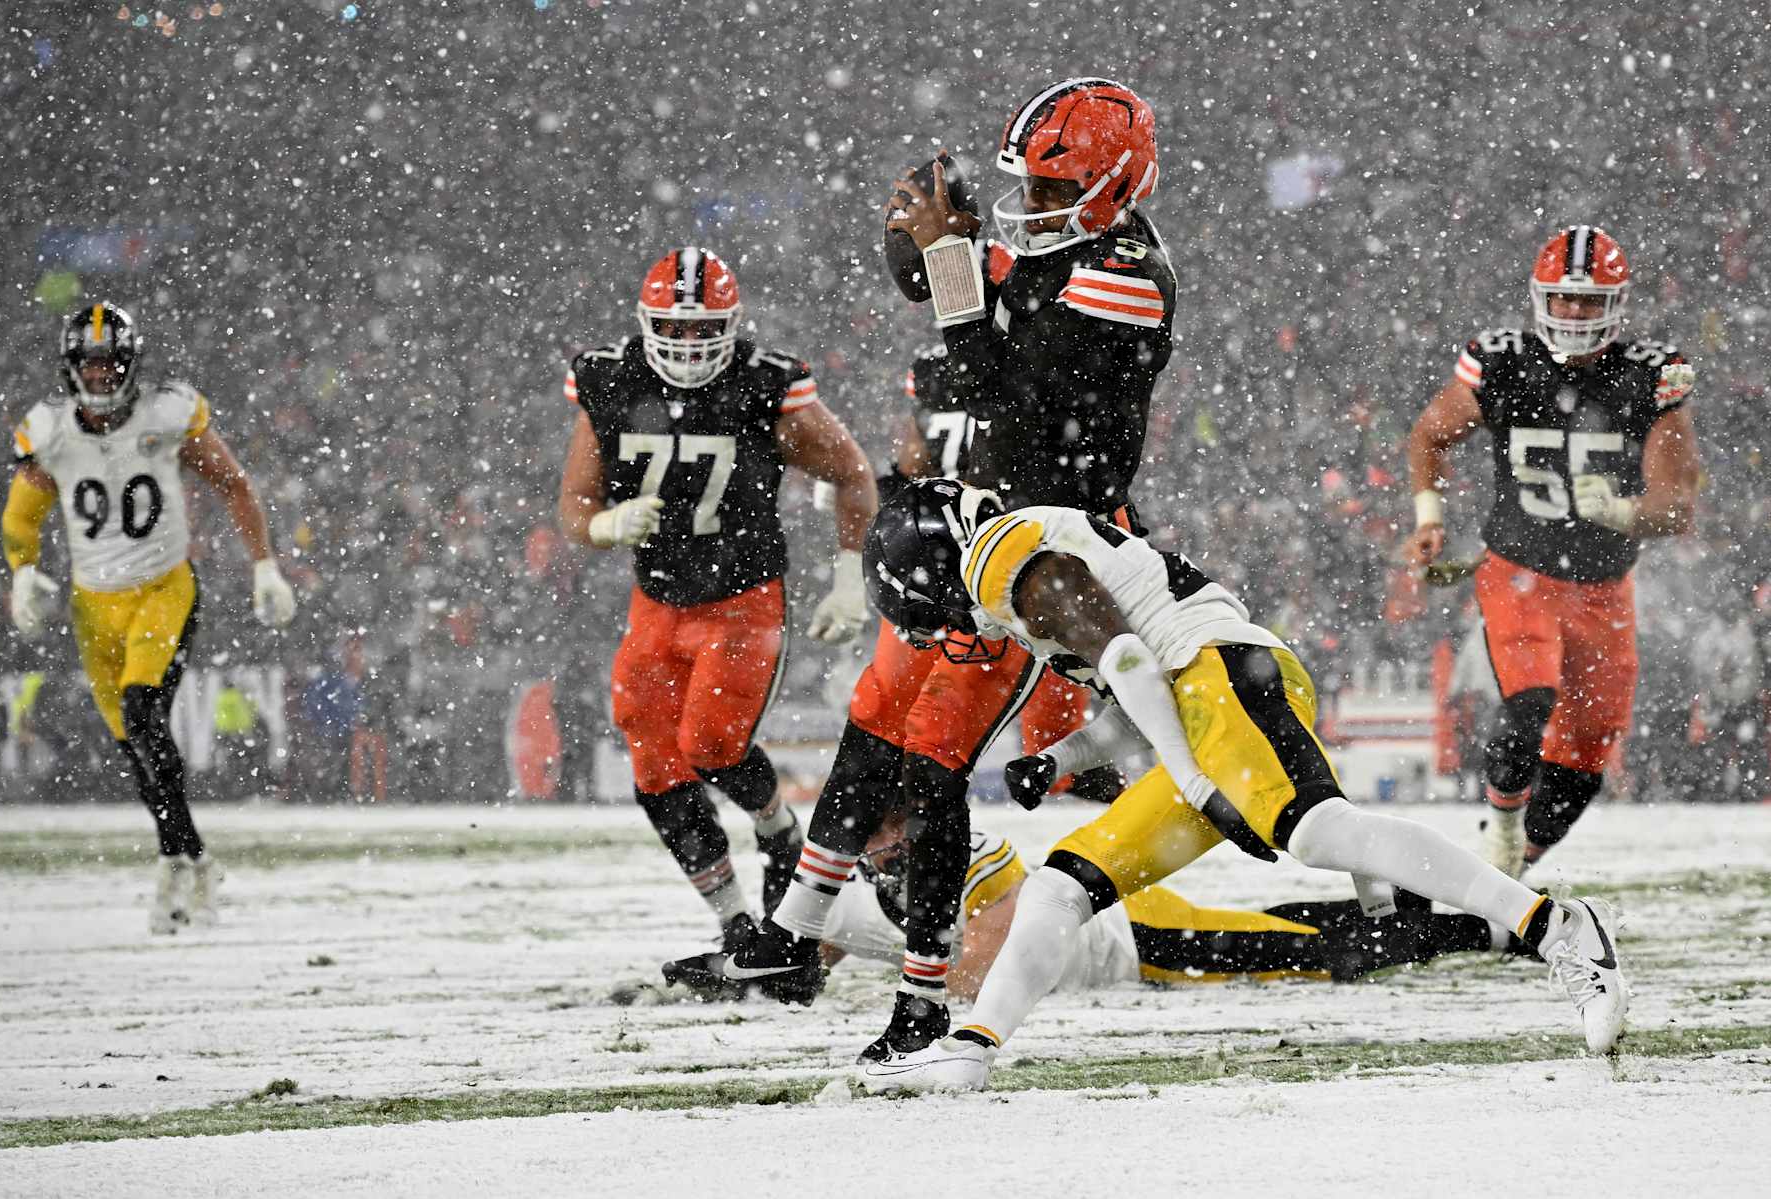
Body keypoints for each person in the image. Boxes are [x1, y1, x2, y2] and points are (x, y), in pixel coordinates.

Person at [679, 78, 1180, 1065]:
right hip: (991, 522)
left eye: (1049, 190)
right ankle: (793, 931)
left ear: (1114, 188)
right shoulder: (1069, 246)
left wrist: (953, 252)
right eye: (1022, 186)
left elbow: (991, 388)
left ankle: (919, 1003)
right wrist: (922, 220)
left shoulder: (1121, 271)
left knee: (932, 765)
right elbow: (931, 290)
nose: (1028, 208)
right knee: (872, 726)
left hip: (1053, 549)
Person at [854, 479, 1628, 1092]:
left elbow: (1128, 656)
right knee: (1062, 883)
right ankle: (973, 1047)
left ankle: (1557, 925)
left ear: (927, 564)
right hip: (1205, 693)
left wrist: (1184, 774)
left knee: (1319, 830)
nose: (936, 629)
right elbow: (1139, 683)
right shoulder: (1028, 545)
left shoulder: (994, 556)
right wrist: (1059, 759)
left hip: (1221, 677)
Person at [558, 247, 876, 950]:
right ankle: (733, 920)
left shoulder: (763, 384)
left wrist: (849, 574)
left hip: (742, 597)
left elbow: (852, 473)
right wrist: (604, 524)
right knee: (652, 757)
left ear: (732, 326)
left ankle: (777, 830)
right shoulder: (612, 379)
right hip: (657, 598)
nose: (689, 346)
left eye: (705, 331)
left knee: (711, 744)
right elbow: (575, 504)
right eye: (673, 329)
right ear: (646, 324)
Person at [1405, 226, 1700, 876]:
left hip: (1604, 589)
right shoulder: (1503, 359)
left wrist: (1622, 510)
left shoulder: (1651, 375)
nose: (1572, 313)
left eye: (1588, 301)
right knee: (1526, 708)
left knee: (1584, 763)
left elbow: (1677, 506)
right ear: (1539, 298)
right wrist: (1429, 517)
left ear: (1616, 304)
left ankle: (1507, 876)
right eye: (1562, 299)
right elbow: (1429, 436)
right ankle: (1500, 840)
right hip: (1520, 573)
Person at [1, 301, 297, 933]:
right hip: (92, 606)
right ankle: (194, 857)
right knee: (134, 747)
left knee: (143, 713)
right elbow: (20, 517)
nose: (103, 376)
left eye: (112, 364)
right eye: (92, 364)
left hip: (163, 587)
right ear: (71, 367)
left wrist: (263, 562)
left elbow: (233, 483)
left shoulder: (169, 414)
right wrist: (22, 569)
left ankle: (172, 861)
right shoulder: (49, 430)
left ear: (132, 365)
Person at [658, 814, 1525, 1005]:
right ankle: (1425, 913)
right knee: (1292, 931)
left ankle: (1480, 925)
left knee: (1308, 951)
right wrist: (756, 970)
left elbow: (974, 973)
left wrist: (889, 962)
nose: (885, 840)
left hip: (1136, 939)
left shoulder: (971, 853)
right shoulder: (849, 889)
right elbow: (813, 953)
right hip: (1133, 936)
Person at [888, 346, 1123, 806]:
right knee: (1059, 652)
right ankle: (1064, 766)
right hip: (1014, 536)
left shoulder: (945, 370)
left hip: (949, 548)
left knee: (930, 693)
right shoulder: (1030, 360)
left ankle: (922, 777)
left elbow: (910, 464)